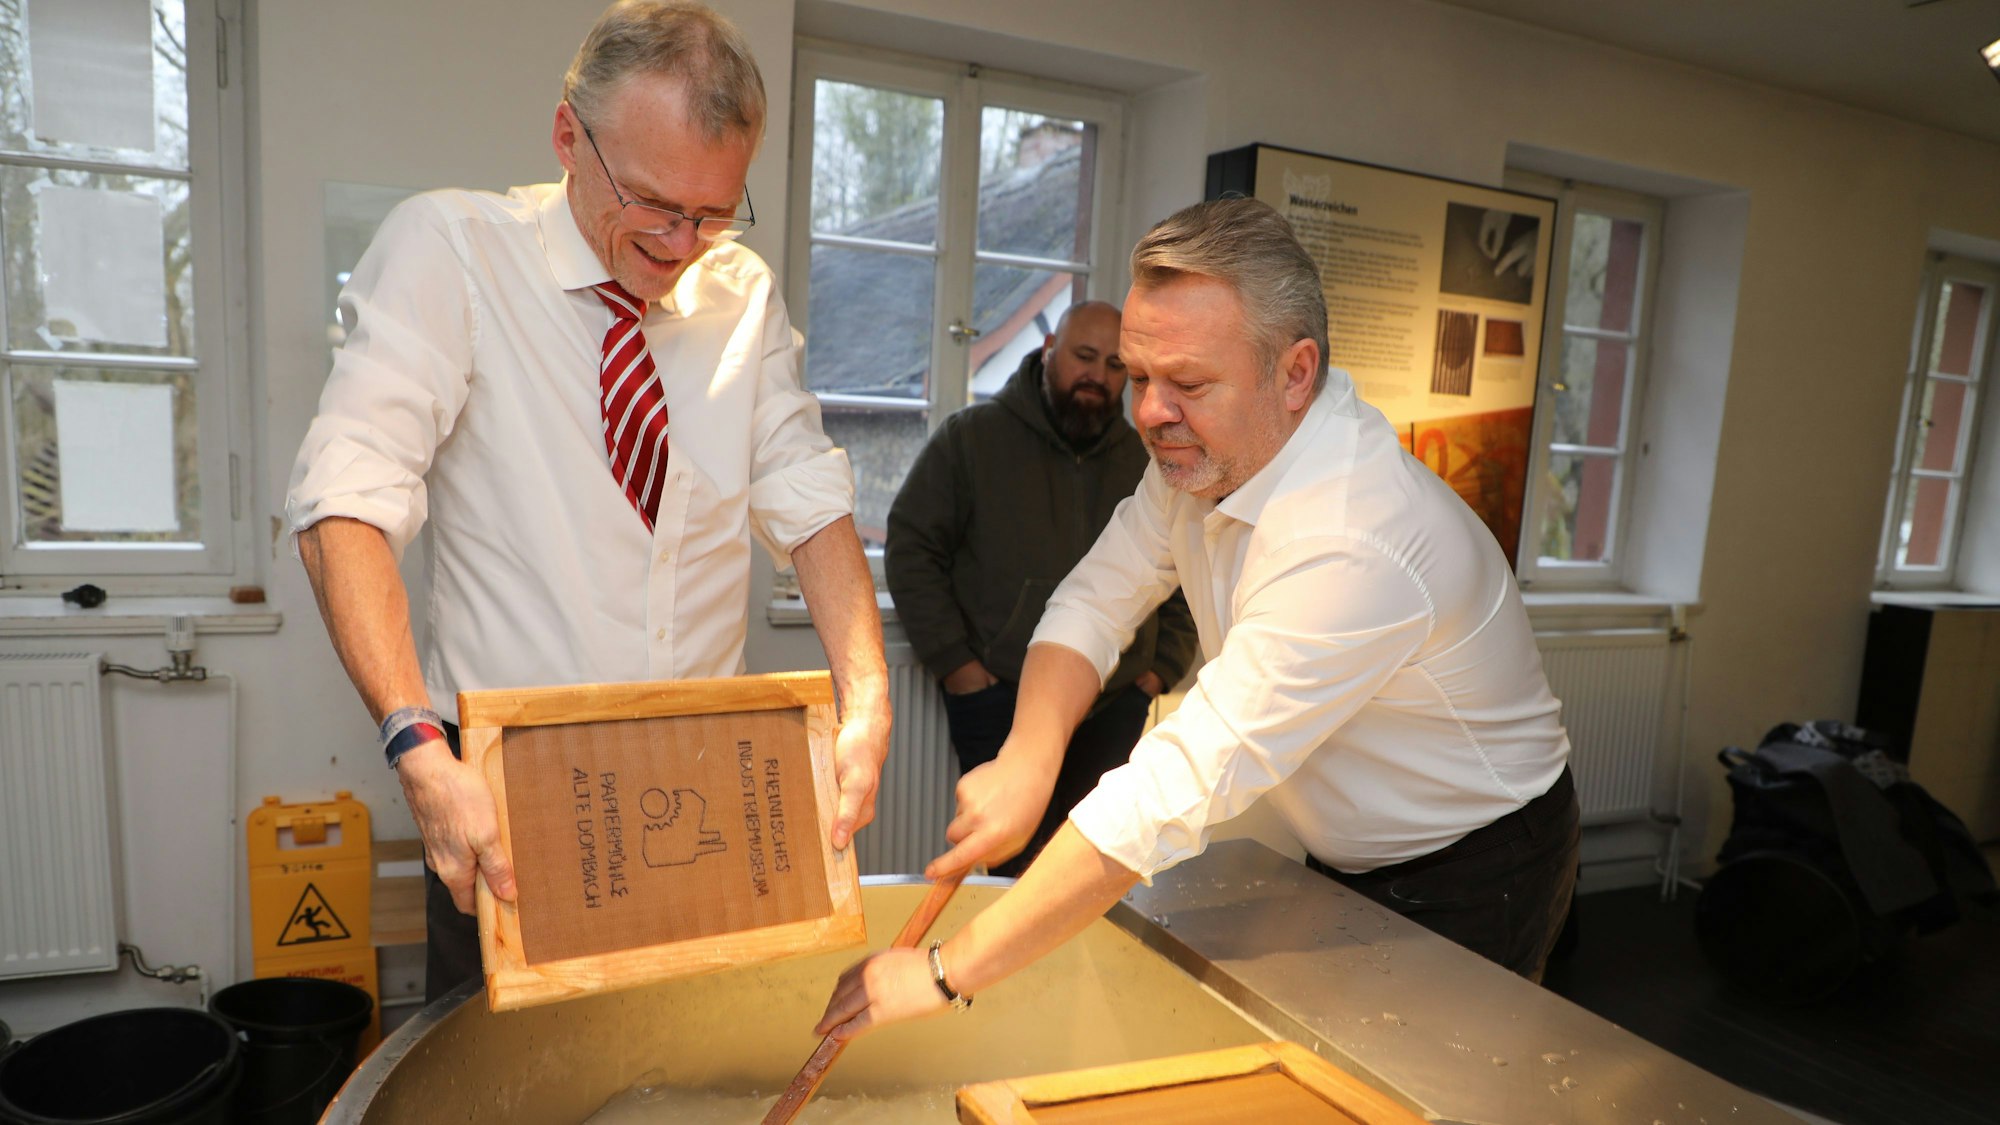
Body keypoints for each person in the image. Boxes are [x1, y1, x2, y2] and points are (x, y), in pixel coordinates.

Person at [812, 197, 1577, 1041]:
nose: (1146, 412)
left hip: (1483, 860)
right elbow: (1096, 596)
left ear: (1295, 373)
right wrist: (1030, 757)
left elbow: (1168, 789)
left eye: (1187, 383)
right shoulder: (1212, 452)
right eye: (1141, 376)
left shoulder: (1354, 538)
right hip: (1351, 838)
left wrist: (942, 971)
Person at [287, 0, 889, 1001]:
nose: (679, 240)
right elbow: (343, 502)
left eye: (710, 211)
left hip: (698, 788)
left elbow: (808, 496)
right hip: (509, 803)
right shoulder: (456, 252)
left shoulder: (737, 292)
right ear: (569, 136)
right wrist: (412, 744)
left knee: (674, 1080)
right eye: (653, 202)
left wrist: (865, 697)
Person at [885, 301, 1198, 877]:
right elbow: (911, 549)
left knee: (1091, 864)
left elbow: (1185, 560)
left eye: (1114, 365)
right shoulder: (971, 439)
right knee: (1013, 864)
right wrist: (959, 668)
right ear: (1050, 347)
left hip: (1114, 703)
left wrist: (1163, 664)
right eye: (1083, 356)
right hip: (997, 694)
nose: (1097, 376)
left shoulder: (1147, 457)